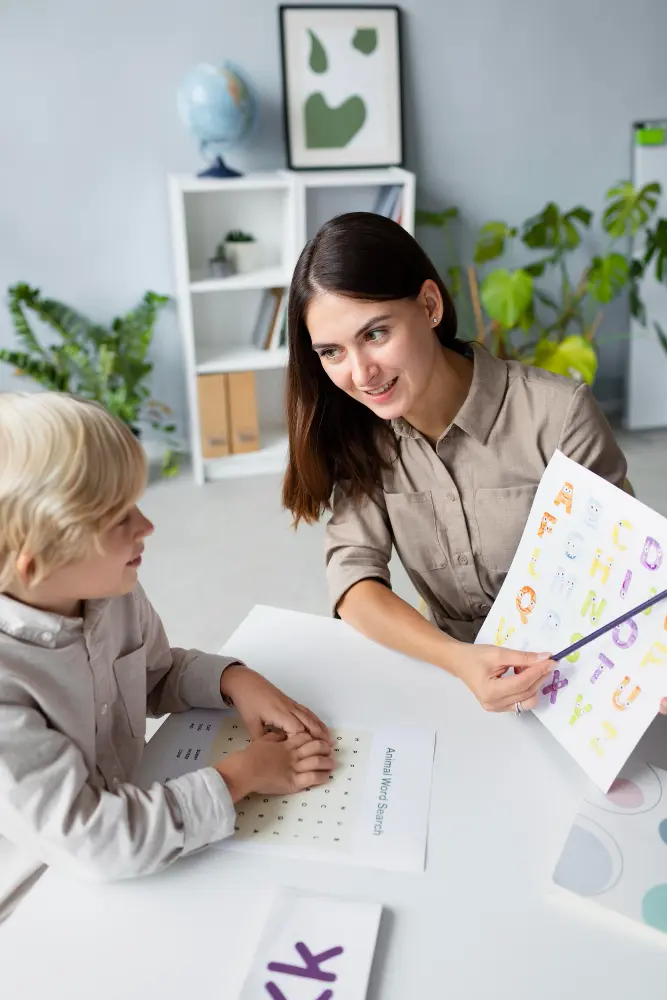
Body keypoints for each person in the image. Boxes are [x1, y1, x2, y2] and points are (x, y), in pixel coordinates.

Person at [282, 211, 633, 716]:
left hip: (576, 675)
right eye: (332, 352)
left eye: (376, 334)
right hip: (453, 679)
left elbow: (625, 570)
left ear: (428, 305)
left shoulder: (558, 415)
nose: (361, 373)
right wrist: (458, 660)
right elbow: (354, 582)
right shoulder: (362, 435)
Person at [0, 392, 335, 921]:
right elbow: (94, 841)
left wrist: (234, 680)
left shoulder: (109, 586)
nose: (148, 527)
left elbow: (153, 673)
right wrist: (240, 776)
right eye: (117, 519)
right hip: (37, 905)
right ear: (36, 564)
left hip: (141, 844)